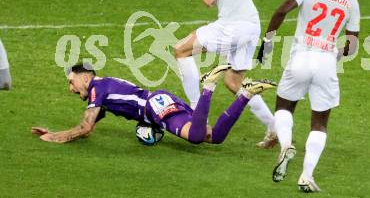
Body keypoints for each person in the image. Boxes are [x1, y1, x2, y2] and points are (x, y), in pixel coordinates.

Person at [257, 0, 360, 192]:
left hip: (301, 57)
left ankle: (285, 146)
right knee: (320, 122)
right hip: (326, 62)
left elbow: (281, 11)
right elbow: (353, 44)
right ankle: (306, 175)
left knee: (284, 107)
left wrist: (268, 41)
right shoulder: (351, 1)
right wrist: (336, 54)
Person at [174, 0, 277, 148]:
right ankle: (274, 127)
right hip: (251, 24)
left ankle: (195, 110)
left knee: (181, 49)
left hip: (234, 25)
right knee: (234, 82)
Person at [31, 63, 276, 145]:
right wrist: (59, 133)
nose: (71, 89)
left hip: (154, 107)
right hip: (160, 101)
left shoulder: (97, 89)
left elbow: (84, 127)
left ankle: (208, 85)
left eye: (72, 82)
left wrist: (52, 138)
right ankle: (244, 94)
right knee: (215, 136)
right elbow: (89, 128)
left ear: (86, 77)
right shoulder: (104, 88)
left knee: (194, 137)